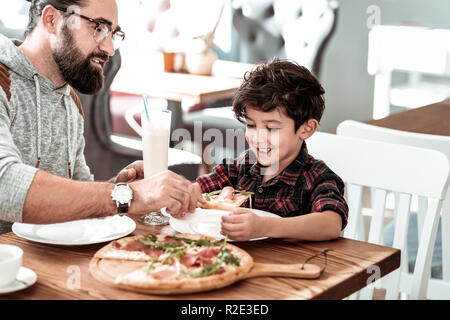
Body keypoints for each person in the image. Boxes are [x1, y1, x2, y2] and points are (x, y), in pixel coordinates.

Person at [0, 0, 203, 231]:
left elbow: (78, 193)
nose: (110, 49)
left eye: (113, 34)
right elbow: (4, 185)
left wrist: (120, 186)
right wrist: (129, 196)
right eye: (98, 28)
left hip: (49, 259)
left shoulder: (70, 101)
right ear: (52, 20)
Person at [193, 59, 348, 241]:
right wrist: (187, 194)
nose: (258, 138)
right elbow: (200, 188)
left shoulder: (316, 176)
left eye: (271, 128)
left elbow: (330, 224)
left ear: (306, 129)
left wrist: (264, 227)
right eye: (251, 125)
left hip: (294, 266)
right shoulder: (243, 165)